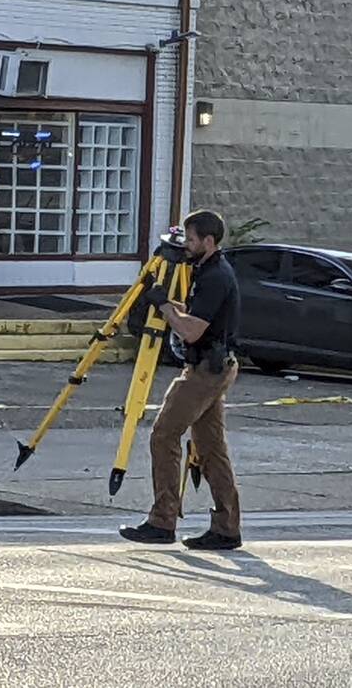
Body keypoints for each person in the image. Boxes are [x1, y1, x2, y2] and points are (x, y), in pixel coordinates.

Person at [119, 209, 244, 551]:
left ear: (209, 240)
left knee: (164, 435)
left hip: (205, 369)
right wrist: (167, 300)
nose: (185, 246)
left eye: (191, 240)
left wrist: (161, 305)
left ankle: (162, 521)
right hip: (213, 365)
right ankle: (226, 527)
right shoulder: (206, 271)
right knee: (211, 448)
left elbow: (191, 331)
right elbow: (195, 316)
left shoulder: (215, 275)